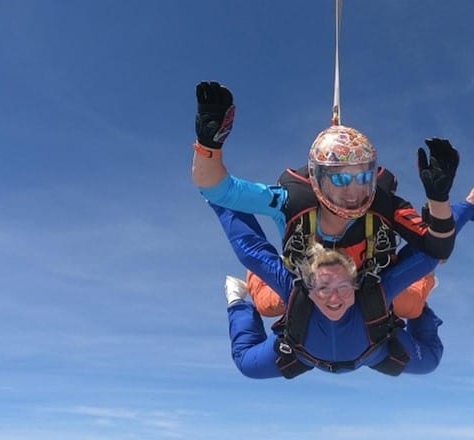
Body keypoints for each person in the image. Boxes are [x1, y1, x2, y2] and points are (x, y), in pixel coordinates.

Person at [192, 81, 458, 321]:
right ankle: (256, 277)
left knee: (409, 306)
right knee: (268, 304)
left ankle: (426, 280)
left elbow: (439, 247)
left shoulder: (386, 204)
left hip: (371, 281)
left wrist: (439, 199)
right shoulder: (291, 201)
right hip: (312, 281)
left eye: (363, 177)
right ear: (317, 178)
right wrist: (209, 145)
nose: (354, 191)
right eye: (340, 179)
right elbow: (217, 189)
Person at [215, 180, 474, 378]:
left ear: (356, 284)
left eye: (343, 286)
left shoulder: (376, 292)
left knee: (428, 354)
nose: (334, 297)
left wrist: (465, 207)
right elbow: (249, 249)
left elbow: (432, 251)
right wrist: (216, 194)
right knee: (249, 357)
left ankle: (420, 298)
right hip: (318, 352)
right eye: (324, 287)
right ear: (310, 288)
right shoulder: (295, 288)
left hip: (371, 350)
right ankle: (238, 299)